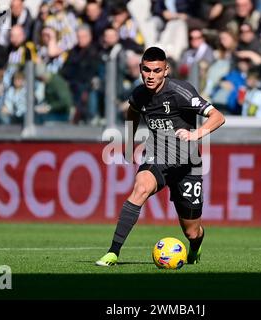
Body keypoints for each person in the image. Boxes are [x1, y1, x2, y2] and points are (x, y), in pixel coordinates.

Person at [96, 47, 226, 266]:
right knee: (140, 188)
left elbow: (218, 116)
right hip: (158, 155)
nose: (151, 75)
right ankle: (113, 252)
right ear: (140, 69)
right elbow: (133, 111)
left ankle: (196, 247)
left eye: (157, 70)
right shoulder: (139, 94)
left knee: (192, 232)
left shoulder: (180, 92)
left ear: (166, 70)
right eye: (146, 70)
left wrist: (196, 134)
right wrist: (129, 139)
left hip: (188, 164)